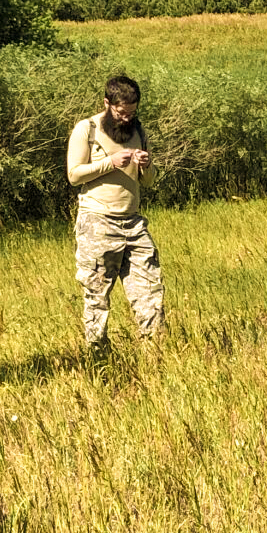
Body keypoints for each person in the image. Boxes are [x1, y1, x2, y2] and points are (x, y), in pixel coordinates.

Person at [67, 75, 163, 350]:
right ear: (107, 104)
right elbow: (74, 175)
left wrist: (146, 164)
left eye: (132, 113)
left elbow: (148, 181)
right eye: (121, 113)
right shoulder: (87, 129)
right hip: (97, 222)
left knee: (151, 292)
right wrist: (109, 163)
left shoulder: (140, 132)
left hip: (133, 224)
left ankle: (155, 353)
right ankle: (97, 355)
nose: (126, 118)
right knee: (97, 296)